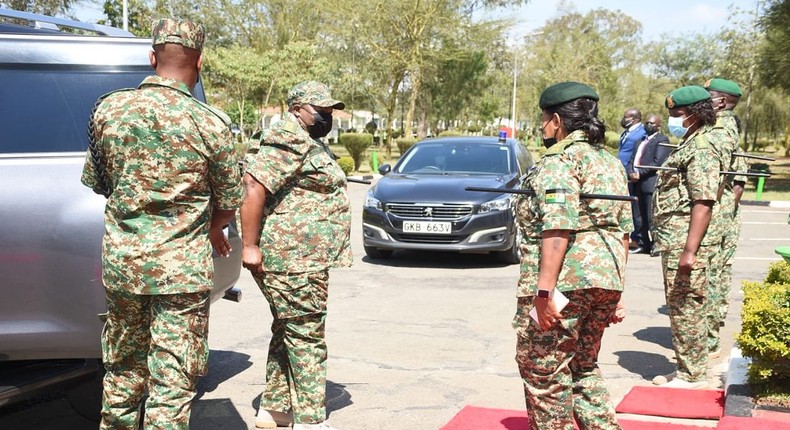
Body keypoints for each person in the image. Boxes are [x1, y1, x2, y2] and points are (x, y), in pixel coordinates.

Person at [80, 18, 243, 429]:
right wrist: (208, 225)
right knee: (171, 384)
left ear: (152, 57)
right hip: (181, 274)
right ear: (200, 61)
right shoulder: (212, 124)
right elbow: (228, 204)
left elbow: (100, 184)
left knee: (121, 374)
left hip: (125, 267)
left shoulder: (108, 111)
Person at [514, 81, 631, 430]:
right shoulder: (610, 163)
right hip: (605, 279)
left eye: (543, 120)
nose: (541, 127)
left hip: (565, 285)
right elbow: (623, 231)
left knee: (543, 370)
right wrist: (617, 293)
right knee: (583, 366)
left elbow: (557, 227)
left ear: (556, 122)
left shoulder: (558, 161)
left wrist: (544, 293)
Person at [241, 81, 352, 430]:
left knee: (288, 329)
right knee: (307, 336)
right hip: (293, 259)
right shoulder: (288, 137)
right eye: (320, 110)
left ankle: (275, 410)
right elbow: (253, 186)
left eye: (330, 111)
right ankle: (310, 420)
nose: (326, 116)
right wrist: (249, 245)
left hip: (301, 257)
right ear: (297, 108)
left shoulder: (306, 139)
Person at [651, 86, 722, 388]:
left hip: (685, 242)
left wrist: (690, 250)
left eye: (676, 115)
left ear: (693, 113)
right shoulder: (689, 144)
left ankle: (692, 375)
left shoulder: (701, 149)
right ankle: (687, 368)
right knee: (681, 305)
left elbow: (703, 202)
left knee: (687, 307)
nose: (672, 120)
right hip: (675, 240)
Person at [702, 78, 747, 359]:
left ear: (720, 102)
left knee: (710, 276)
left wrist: (713, 210)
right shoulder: (726, 129)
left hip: (717, 216)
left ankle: (707, 341)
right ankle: (708, 337)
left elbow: (730, 183)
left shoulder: (721, 130)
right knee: (716, 274)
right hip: (722, 215)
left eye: (707, 98)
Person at [625, 114, 672, 255]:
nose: (648, 125)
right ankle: (641, 242)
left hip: (649, 182)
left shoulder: (662, 140)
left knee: (651, 216)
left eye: (651, 123)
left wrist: (640, 173)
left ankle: (656, 244)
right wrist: (630, 172)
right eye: (647, 123)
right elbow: (631, 160)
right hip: (635, 182)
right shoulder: (640, 141)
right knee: (637, 216)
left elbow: (657, 162)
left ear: (658, 126)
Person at [617, 108, 647, 250]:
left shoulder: (641, 133)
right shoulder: (627, 132)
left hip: (632, 174)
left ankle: (637, 238)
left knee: (635, 208)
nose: (624, 119)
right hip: (622, 172)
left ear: (634, 118)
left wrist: (632, 171)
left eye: (626, 116)